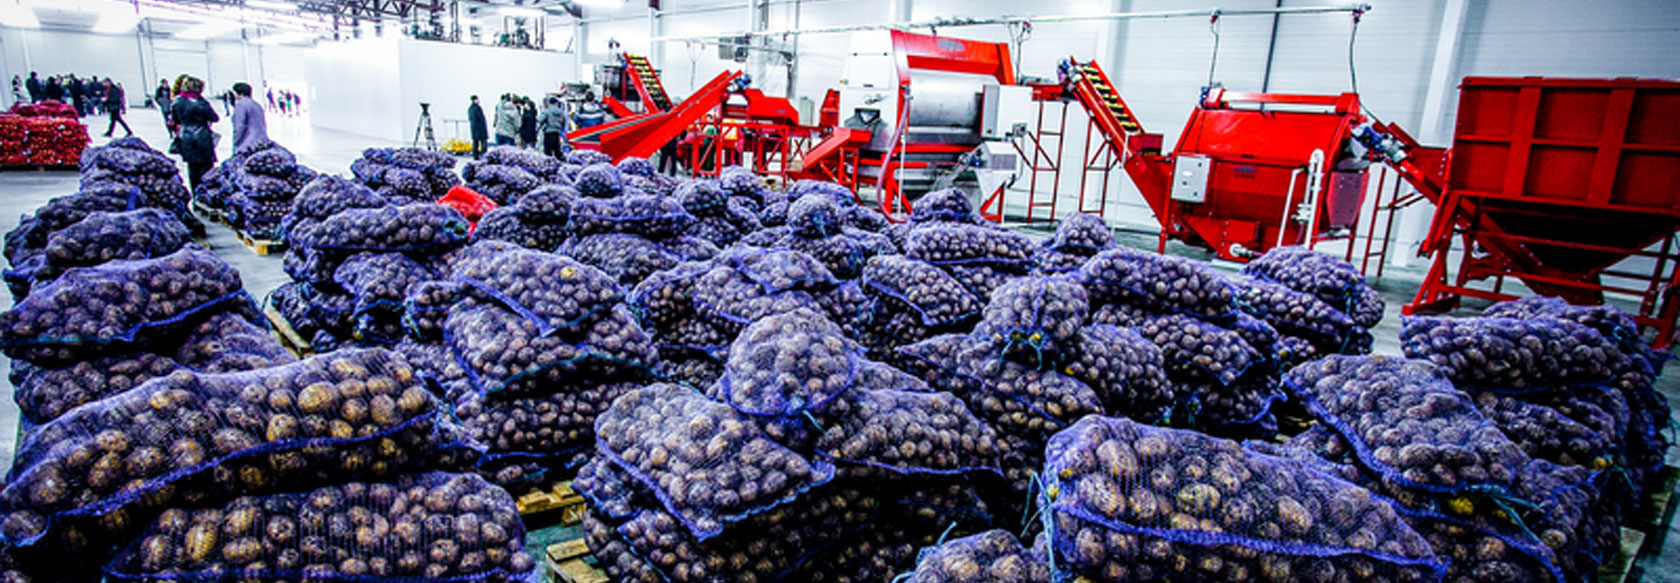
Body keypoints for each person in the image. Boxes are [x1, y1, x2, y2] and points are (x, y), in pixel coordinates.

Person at [171, 76, 220, 192]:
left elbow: (175, 119)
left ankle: (196, 194)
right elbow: (214, 117)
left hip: (186, 137)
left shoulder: (177, 102)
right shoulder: (201, 102)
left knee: (192, 168)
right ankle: (206, 194)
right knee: (206, 168)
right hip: (202, 137)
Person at [230, 82, 267, 151]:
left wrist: (236, 141)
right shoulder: (257, 105)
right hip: (261, 141)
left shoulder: (241, 105)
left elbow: (239, 126)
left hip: (247, 142)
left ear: (239, 93)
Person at [467, 95, 488, 160]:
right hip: (480, 128)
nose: (478, 101)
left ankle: (475, 155)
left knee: (475, 142)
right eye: (477, 99)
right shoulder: (477, 108)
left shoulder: (470, 108)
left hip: (474, 128)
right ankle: (483, 155)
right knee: (483, 141)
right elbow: (481, 118)